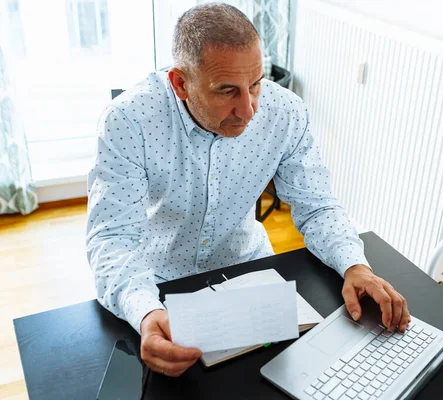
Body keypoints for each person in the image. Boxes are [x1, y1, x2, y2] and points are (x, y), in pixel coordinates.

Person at [86, 3, 410, 378]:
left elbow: (317, 206)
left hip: (251, 274)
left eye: (255, 83)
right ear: (180, 84)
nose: (250, 109)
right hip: (157, 282)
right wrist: (145, 312)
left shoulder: (286, 112)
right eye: (227, 91)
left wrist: (356, 265)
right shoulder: (128, 120)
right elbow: (112, 239)